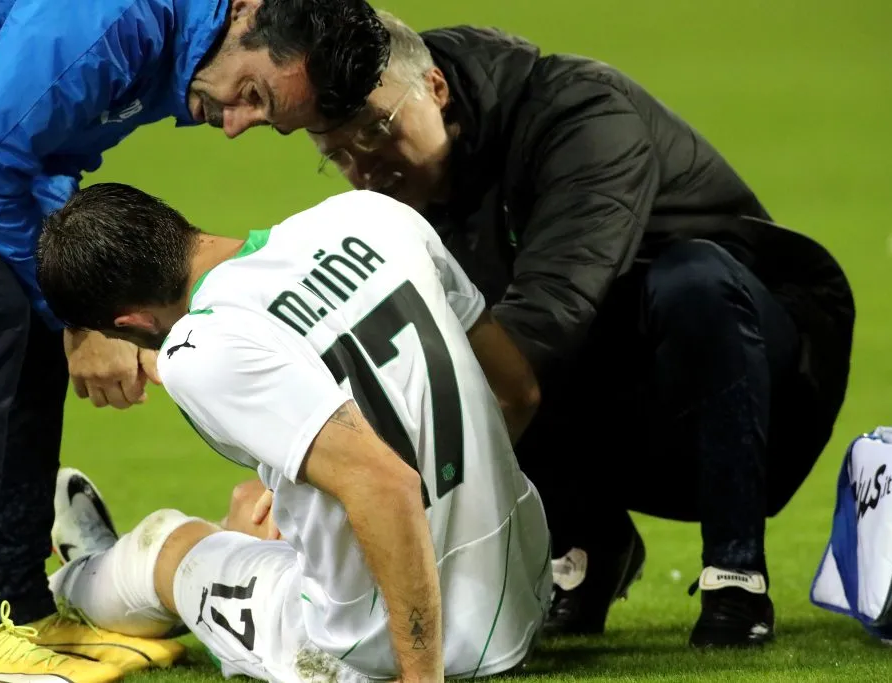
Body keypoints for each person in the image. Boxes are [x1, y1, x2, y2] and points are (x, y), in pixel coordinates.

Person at [307, 12, 856, 648]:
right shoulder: (404, 198)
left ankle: (736, 574)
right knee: (464, 341)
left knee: (686, 280)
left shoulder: (582, 112)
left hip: (759, 386)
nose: (366, 166)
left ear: (435, 87)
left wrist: (407, 476)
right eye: (339, 154)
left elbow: (553, 313)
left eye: (378, 129)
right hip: (617, 386)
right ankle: (590, 545)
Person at [0, 1, 389, 680]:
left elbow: (40, 160)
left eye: (262, 119)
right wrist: (79, 317)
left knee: (25, 301)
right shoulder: (108, 21)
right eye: (250, 95)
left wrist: (70, 304)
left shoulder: (177, 54)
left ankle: (17, 603)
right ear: (247, 12)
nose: (232, 124)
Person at [34, 183, 553, 682]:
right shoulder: (373, 215)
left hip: (369, 649)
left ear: (134, 321)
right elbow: (518, 393)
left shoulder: (198, 349)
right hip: (520, 597)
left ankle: (72, 584)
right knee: (263, 510)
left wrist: (419, 675)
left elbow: (384, 483)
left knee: (165, 546)